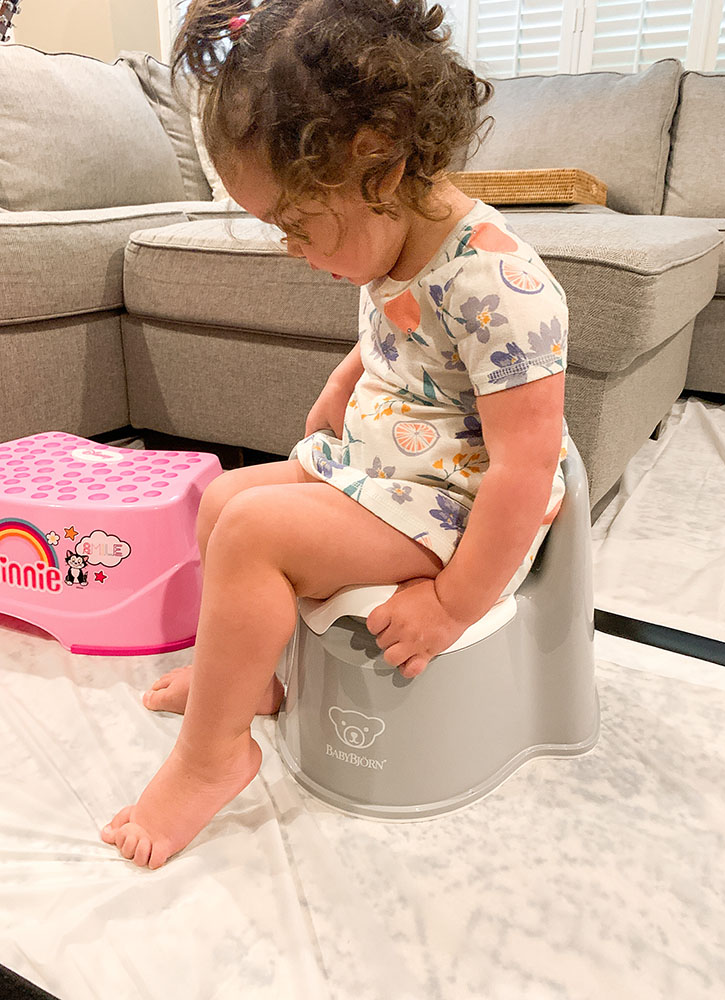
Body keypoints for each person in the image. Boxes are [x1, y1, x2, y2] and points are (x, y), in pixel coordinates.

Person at [102, 0, 569, 869]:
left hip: (456, 507)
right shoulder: (399, 242)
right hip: (393, 475)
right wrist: (345, 376)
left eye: (293, 226)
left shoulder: (503, 283)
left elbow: (525, 469)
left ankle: (213, 759)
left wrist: (451, 603)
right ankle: (245, 682)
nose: (289, 250)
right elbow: (398, 334)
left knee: (252, 533)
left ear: (379, 165)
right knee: (225, 500)